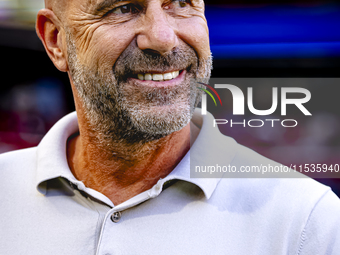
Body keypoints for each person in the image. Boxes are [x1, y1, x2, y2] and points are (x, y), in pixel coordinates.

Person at [1, 0, 340, 254]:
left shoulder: (306, 223)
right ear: (55, 40)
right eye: (123, 8)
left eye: (181, 3)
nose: (163, 38)